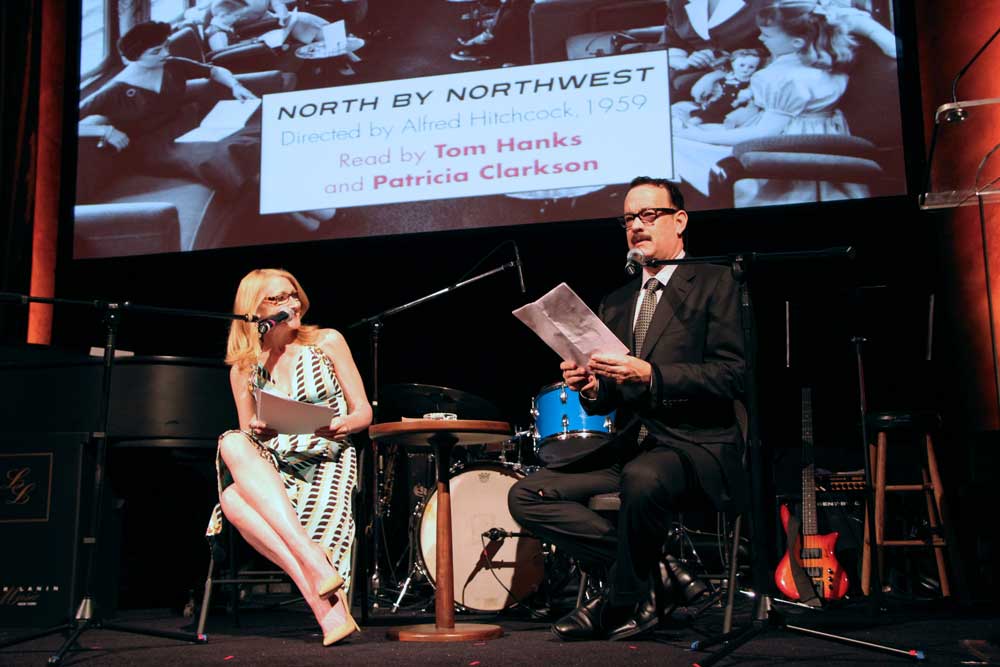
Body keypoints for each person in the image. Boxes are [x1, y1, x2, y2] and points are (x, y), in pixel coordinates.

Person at [508, 177, 747, 641]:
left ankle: (620, 600)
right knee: (526, 495)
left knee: (644, 479)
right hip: (631, 446)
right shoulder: (616, 303)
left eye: (649, 215)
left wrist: (653, 374)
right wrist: (590, 386)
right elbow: (609, 396)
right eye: (629, 219)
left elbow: (734, 374)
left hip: (697, 445)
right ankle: (659, 573)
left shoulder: (718, 282)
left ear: (679, 221)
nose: (637, 226)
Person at [205, 268, 372, 645]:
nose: (290, 304)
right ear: (254, 310)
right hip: (275, 462)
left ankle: (325, 608)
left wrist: (341, 425)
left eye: (292, 295)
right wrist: (262, 430)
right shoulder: (244, 367)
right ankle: (313, 564)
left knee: (232, 498)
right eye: (277, 299)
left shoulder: (327, 341)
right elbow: (248, 433)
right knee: (232, 445)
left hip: (326, 455)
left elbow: (363, 412)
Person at [672, 0, 896, 205]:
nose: (760, 39)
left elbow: (762, 134)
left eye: (766, 35)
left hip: (790, 150)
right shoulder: (823, 64)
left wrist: (697, 135)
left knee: (679, 145)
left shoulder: (781, 78)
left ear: (796, 41)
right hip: (822, 138)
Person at [673, 48, 762, 127]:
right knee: (715, 104)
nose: (745, 69)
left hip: (734, 103)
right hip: (718, 100)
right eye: (742, 65)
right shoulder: (728, 76)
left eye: (751, 67)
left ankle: (698, 120)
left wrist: (740, 99)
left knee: (720, 106)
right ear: (733, 64)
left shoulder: (750, 80)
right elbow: (718, 87)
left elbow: (748, 92)